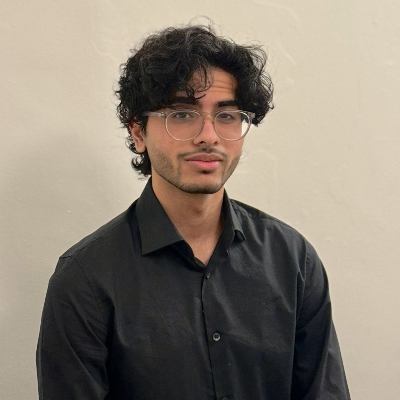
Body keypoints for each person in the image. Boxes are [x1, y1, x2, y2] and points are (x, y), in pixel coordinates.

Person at [36, 24, 351, 400]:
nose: (209, 136)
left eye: (227, 115)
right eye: (183, 114)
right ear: (138, 132)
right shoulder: (86, 278)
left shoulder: (293, 259)